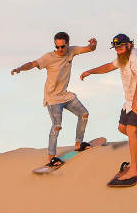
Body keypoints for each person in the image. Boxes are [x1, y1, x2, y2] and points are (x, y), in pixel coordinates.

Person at [80, 33, 137, 182]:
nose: (119, 50)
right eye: (116, 48)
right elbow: (109, 66)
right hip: (131, 100)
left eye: (121, 47)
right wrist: (90, 71)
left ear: (129, 45)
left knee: (131, 129)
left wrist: (136, 99)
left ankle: (135, 169)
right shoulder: (122, 58)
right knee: (123, 128)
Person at [11, 32, 98, 167]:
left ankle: (79, 143)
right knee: (57, 126)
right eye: (57, 47)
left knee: (84, 114)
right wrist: (19, 69)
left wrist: (93, 45)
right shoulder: (48, 57)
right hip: (52, 98)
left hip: (65, 95)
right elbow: (33, 63)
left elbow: (89, 49)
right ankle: (51, 157)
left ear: (67, 45)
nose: (60, 50)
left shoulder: (72, 51)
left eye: (62, 47)